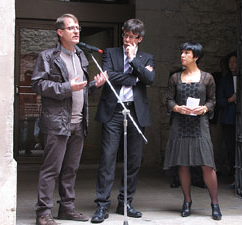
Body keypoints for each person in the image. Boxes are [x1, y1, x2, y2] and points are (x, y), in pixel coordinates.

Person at [31, 13, 107, 225]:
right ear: (60, 32)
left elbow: (79, 90)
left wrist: (94, 85)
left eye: (78, 28)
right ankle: (43, 214)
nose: (76, 31)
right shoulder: (48, 57)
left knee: (71, 169)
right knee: (51, 170)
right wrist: (67, 87)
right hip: (56, 123)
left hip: (78, 122)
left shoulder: (80, 56)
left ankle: (67, 208)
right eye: (71, 28)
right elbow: (38, 85)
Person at [91, 18, 155, 223]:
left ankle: (125, 202)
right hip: (114, 112)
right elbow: (109, 76)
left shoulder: (146, 57)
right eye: (125, 35)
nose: (127, 40)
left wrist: (134, 60)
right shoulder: (110, 53)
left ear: (140, 38)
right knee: (108, 159)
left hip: (136, 113)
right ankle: (102, 205)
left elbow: (150, 79)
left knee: (133, 160)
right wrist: (136, 78)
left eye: (132, 37)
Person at [163, 41, 222, 220]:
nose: (182, 55)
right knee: (183, 163)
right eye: (182, 52)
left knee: (207, 164)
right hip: (180, 124)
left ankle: (215, 203)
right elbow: (168, 100)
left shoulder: (207, 78)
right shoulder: (175, 78)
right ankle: (187, 201)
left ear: (196, 57)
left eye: (187, 53)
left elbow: (213, 100)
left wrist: (204, 109)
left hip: (200, 125)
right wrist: (177, 108)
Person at [217, 51, 237, 189]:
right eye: (230, 62)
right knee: (231, 148)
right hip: (229, 118)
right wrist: (231, 99)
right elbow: (219, 101)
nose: (231, 65)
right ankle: (234, 175)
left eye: (234, 62)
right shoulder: (225, 80)